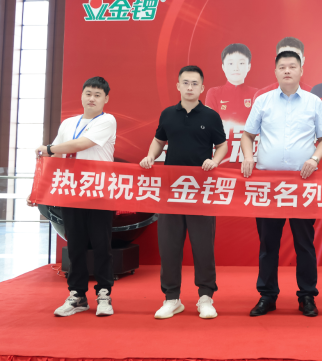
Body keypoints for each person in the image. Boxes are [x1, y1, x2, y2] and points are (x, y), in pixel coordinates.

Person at [240, 50, 322, 317]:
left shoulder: (313, 102)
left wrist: (314, 159)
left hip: (302, 184)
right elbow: (247, 135)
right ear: (275, 72)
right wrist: (249, 156)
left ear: (301, 71)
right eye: (282, 67)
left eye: (292, 66)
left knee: (304, 243)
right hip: (269, 185)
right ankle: (267, 296)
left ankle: (307, 296)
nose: (287, 71)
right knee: (268, 244)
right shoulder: (263, 101)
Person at [139, 65, 228, 320]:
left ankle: (205, 297)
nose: (190, 87)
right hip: (172, 191)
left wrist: (215, 161)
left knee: (203, 246)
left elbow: (222, 146)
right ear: (178, 86)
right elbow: (159, 140)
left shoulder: (211, 116)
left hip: (201, 190)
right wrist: (150, 156)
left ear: (202, 88)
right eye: (185, 83)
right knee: (169, 246)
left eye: (194, 83)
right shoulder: (168, 114)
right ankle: (171, 298)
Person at [27, 77, 117, 317]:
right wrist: (37, 190)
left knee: (101, 245)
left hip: (99, 192)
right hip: (71, 191)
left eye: (97, 95)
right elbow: (54, 159)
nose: (92, 98)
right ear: (82, 96)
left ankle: (104, 293)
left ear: (106, 99)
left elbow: (81, 144)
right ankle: (77, 295)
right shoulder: (68, 123)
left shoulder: (107, 120)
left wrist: (48, 148)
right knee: (75, 244)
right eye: (88, 93)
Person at [204, 43, 258, 126]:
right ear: (223, 67)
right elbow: (209, 125)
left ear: (249, 67)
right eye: (230, 63)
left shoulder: (257, 94)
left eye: (241, 63)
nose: (236, 68)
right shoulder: (213, 93)